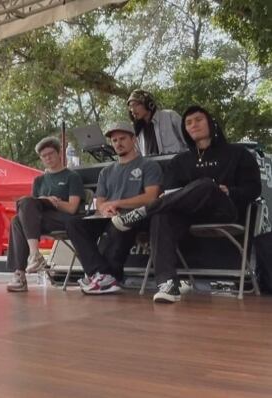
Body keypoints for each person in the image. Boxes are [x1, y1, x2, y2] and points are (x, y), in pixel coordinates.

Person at [111, 106, 262, 303]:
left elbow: (254, 189)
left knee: (207, 185)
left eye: (198, 120)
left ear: (210, 122)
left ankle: (143, 211)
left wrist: (229, 191)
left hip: (223, 209)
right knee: (162, 214)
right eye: (188, 122)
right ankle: (167, 284)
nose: (193, 125)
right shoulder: (180, 160)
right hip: (188, 214)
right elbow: (170, 192)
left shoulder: (237, 153)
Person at [65, 122, 162, 294]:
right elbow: (100, 201)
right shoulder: (106, 172)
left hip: (137, 216)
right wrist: (104, 209)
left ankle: (106, 277)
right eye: (114, 140)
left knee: (118, 223)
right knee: (74, 223)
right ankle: (101, 274)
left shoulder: (148, 166)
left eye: (123, 138)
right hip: (107, 216)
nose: (118, 143)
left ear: (133, 139)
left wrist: (118, 203)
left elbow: (151, 197)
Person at [6, 137, 84, 292]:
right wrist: (44, 200)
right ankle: (23, 269)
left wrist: (55, 202)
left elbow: (72, 208)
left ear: (59, 153)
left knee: (20, 215)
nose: (48, 158)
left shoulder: (72, 177)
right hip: (39, 221)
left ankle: (31, 261)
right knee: (16, 219)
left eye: (50, 154)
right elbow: (31, 207)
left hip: (63, 218)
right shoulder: (39, 180)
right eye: (44, 156)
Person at [127, 89, 188, 156]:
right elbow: (138, 157)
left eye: (135, 105)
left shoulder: (170, 116)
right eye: (130, 107)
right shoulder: (137, 131)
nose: (132, 110)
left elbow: (190, 142)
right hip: (152, 166)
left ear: (149, 104)